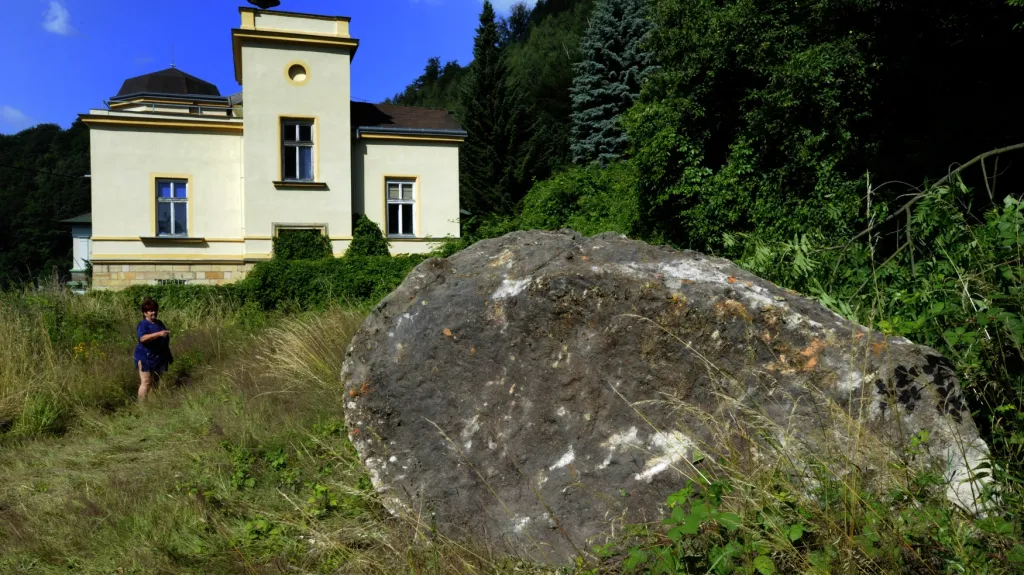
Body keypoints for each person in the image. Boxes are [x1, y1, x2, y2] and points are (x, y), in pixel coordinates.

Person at [134, 297, 173, 401]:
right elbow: (142, 338)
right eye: (150, 310)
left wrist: (168, 355)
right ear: (145, 313)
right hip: (145, 357)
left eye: (155, 310)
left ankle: (153, 404)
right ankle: (142, 407)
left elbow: (165, 341)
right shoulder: (143, 324)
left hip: (159, 357)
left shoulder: (159, 323)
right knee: (146, 382)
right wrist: (159, 334)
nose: (154, 312)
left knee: (156, 382)